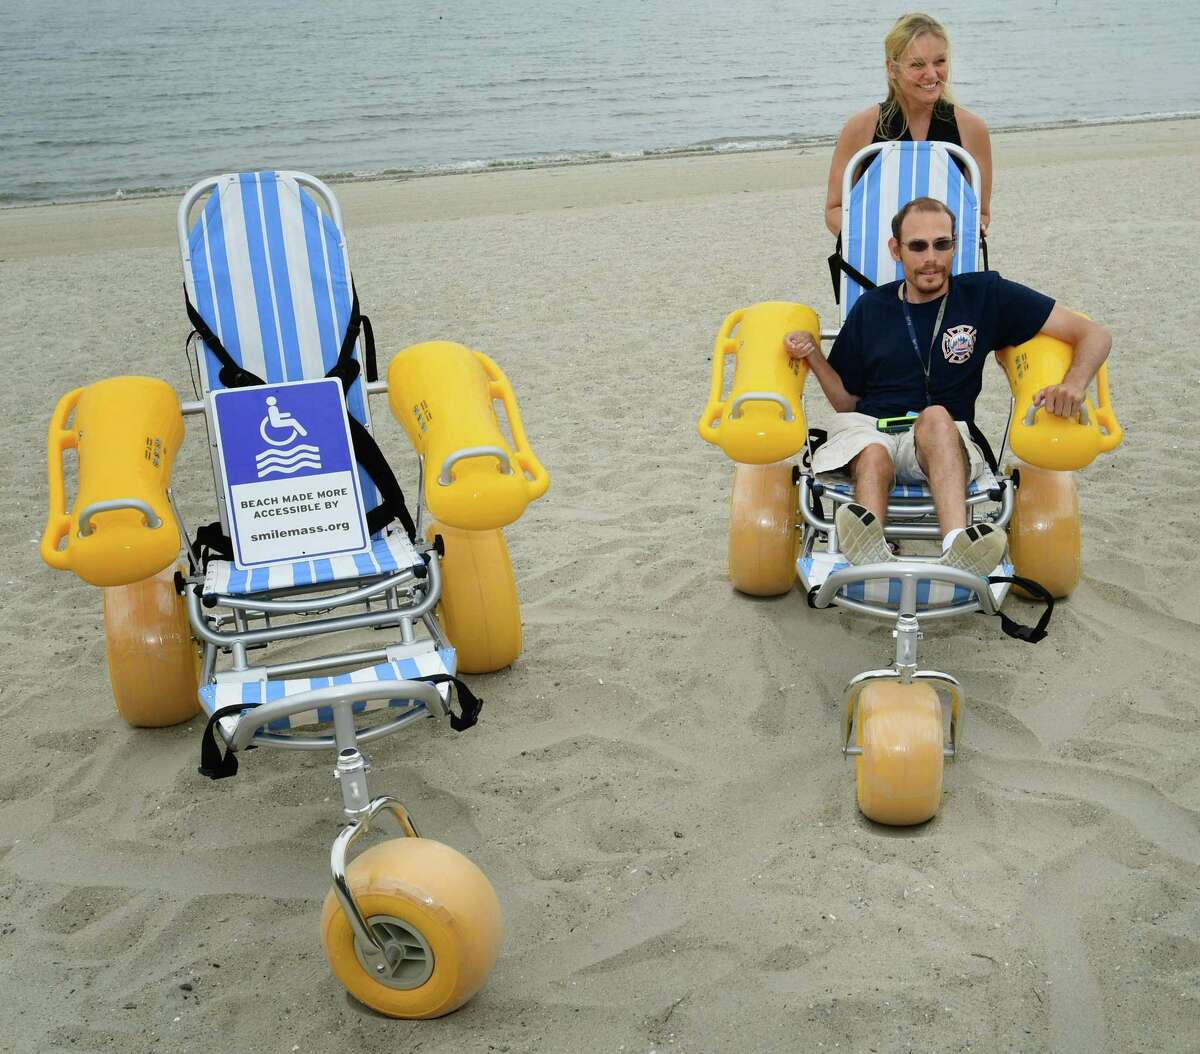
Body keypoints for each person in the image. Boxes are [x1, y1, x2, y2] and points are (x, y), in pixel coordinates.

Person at [784, 196, 1111, 573]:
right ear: (896, 249)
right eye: (918, 246)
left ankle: (957, 544)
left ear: (955, 244)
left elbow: (1094, 334)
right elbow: (846, 402)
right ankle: (870, 545)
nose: (931, 258)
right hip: (870, 430)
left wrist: (1073, 384)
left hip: (942, 441)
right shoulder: (871, 308)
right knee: (872, 451)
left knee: (936, 417)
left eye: (942, 244)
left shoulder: (985, 295)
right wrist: (814, 356)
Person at [824, 13, 992, 238]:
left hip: (945, 265)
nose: (932, 74)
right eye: (917, 64)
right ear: (892, 68)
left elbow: (981, 212)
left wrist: (973, 227)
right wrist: (869, 240)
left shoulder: (971, 129)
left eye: (940, 62)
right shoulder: (860, 128)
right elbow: (834, 209)